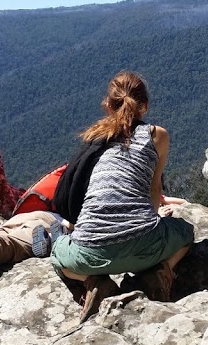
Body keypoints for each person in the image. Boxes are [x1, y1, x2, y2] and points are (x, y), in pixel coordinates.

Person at [50, 71, 195, 323]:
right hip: (145, 244)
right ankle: (158, 273)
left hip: (89, 251)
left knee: (57, 257)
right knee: (186, 234)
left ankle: (95, 283)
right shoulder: (157, 135)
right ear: (146, 106)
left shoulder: (94, 139)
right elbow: (153, 190)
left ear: (107, 105)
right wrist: (154, 218)